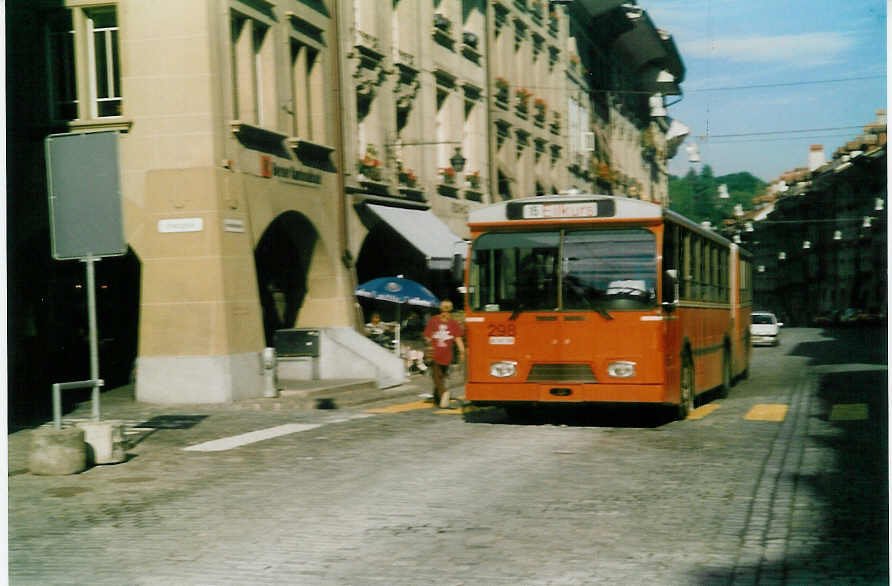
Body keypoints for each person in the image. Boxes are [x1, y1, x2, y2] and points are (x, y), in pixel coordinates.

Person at [423, 300, 465, 408]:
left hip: (436, 352)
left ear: (440, 308)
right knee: (442, 375)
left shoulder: (433, 320)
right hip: (447, 353)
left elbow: (427, 336)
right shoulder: (453, 323)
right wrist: (462, 352)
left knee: (436, 376)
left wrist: (429, 344)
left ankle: (443, 393)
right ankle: (438, 398)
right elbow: (458, 338)